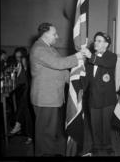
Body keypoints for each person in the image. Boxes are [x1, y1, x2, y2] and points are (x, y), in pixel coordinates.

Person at [30, 22, 83, 156]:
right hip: (45, 98)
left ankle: (48, 152)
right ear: (45, 35)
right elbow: (58, 64)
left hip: (52, 97)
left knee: (51, 130)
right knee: (46, 131)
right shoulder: (39, 49)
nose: (57, 36)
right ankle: (44, 154)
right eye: (54, 34)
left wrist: (74, 83)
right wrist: (77, 56)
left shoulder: (50, 49)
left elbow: (62, 70)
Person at [81, 32, 117, 156]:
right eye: (95, 40)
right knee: (94, 124)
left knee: (106, 124)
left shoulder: (112, 56)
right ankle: (96, 145)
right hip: (93, 97)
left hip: (107, 98)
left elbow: (105, 63)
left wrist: (91, 56)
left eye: (99, 41)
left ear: (106, 44)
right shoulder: (91, 58)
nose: (96, 42)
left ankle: (108, 145)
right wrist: (80, 89)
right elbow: (87, 78)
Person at [9, 47, 33, 145]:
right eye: (17, 57)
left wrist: (23, 69)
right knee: (23, 106)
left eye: (20, 57)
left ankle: (19, 125)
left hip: (28, 91)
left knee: (25, 108)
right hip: (23, 91)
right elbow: (17, 82)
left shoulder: (27, 67)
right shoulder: (19, 65)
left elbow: (24, 81)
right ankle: (22, 128)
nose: (18, 59)